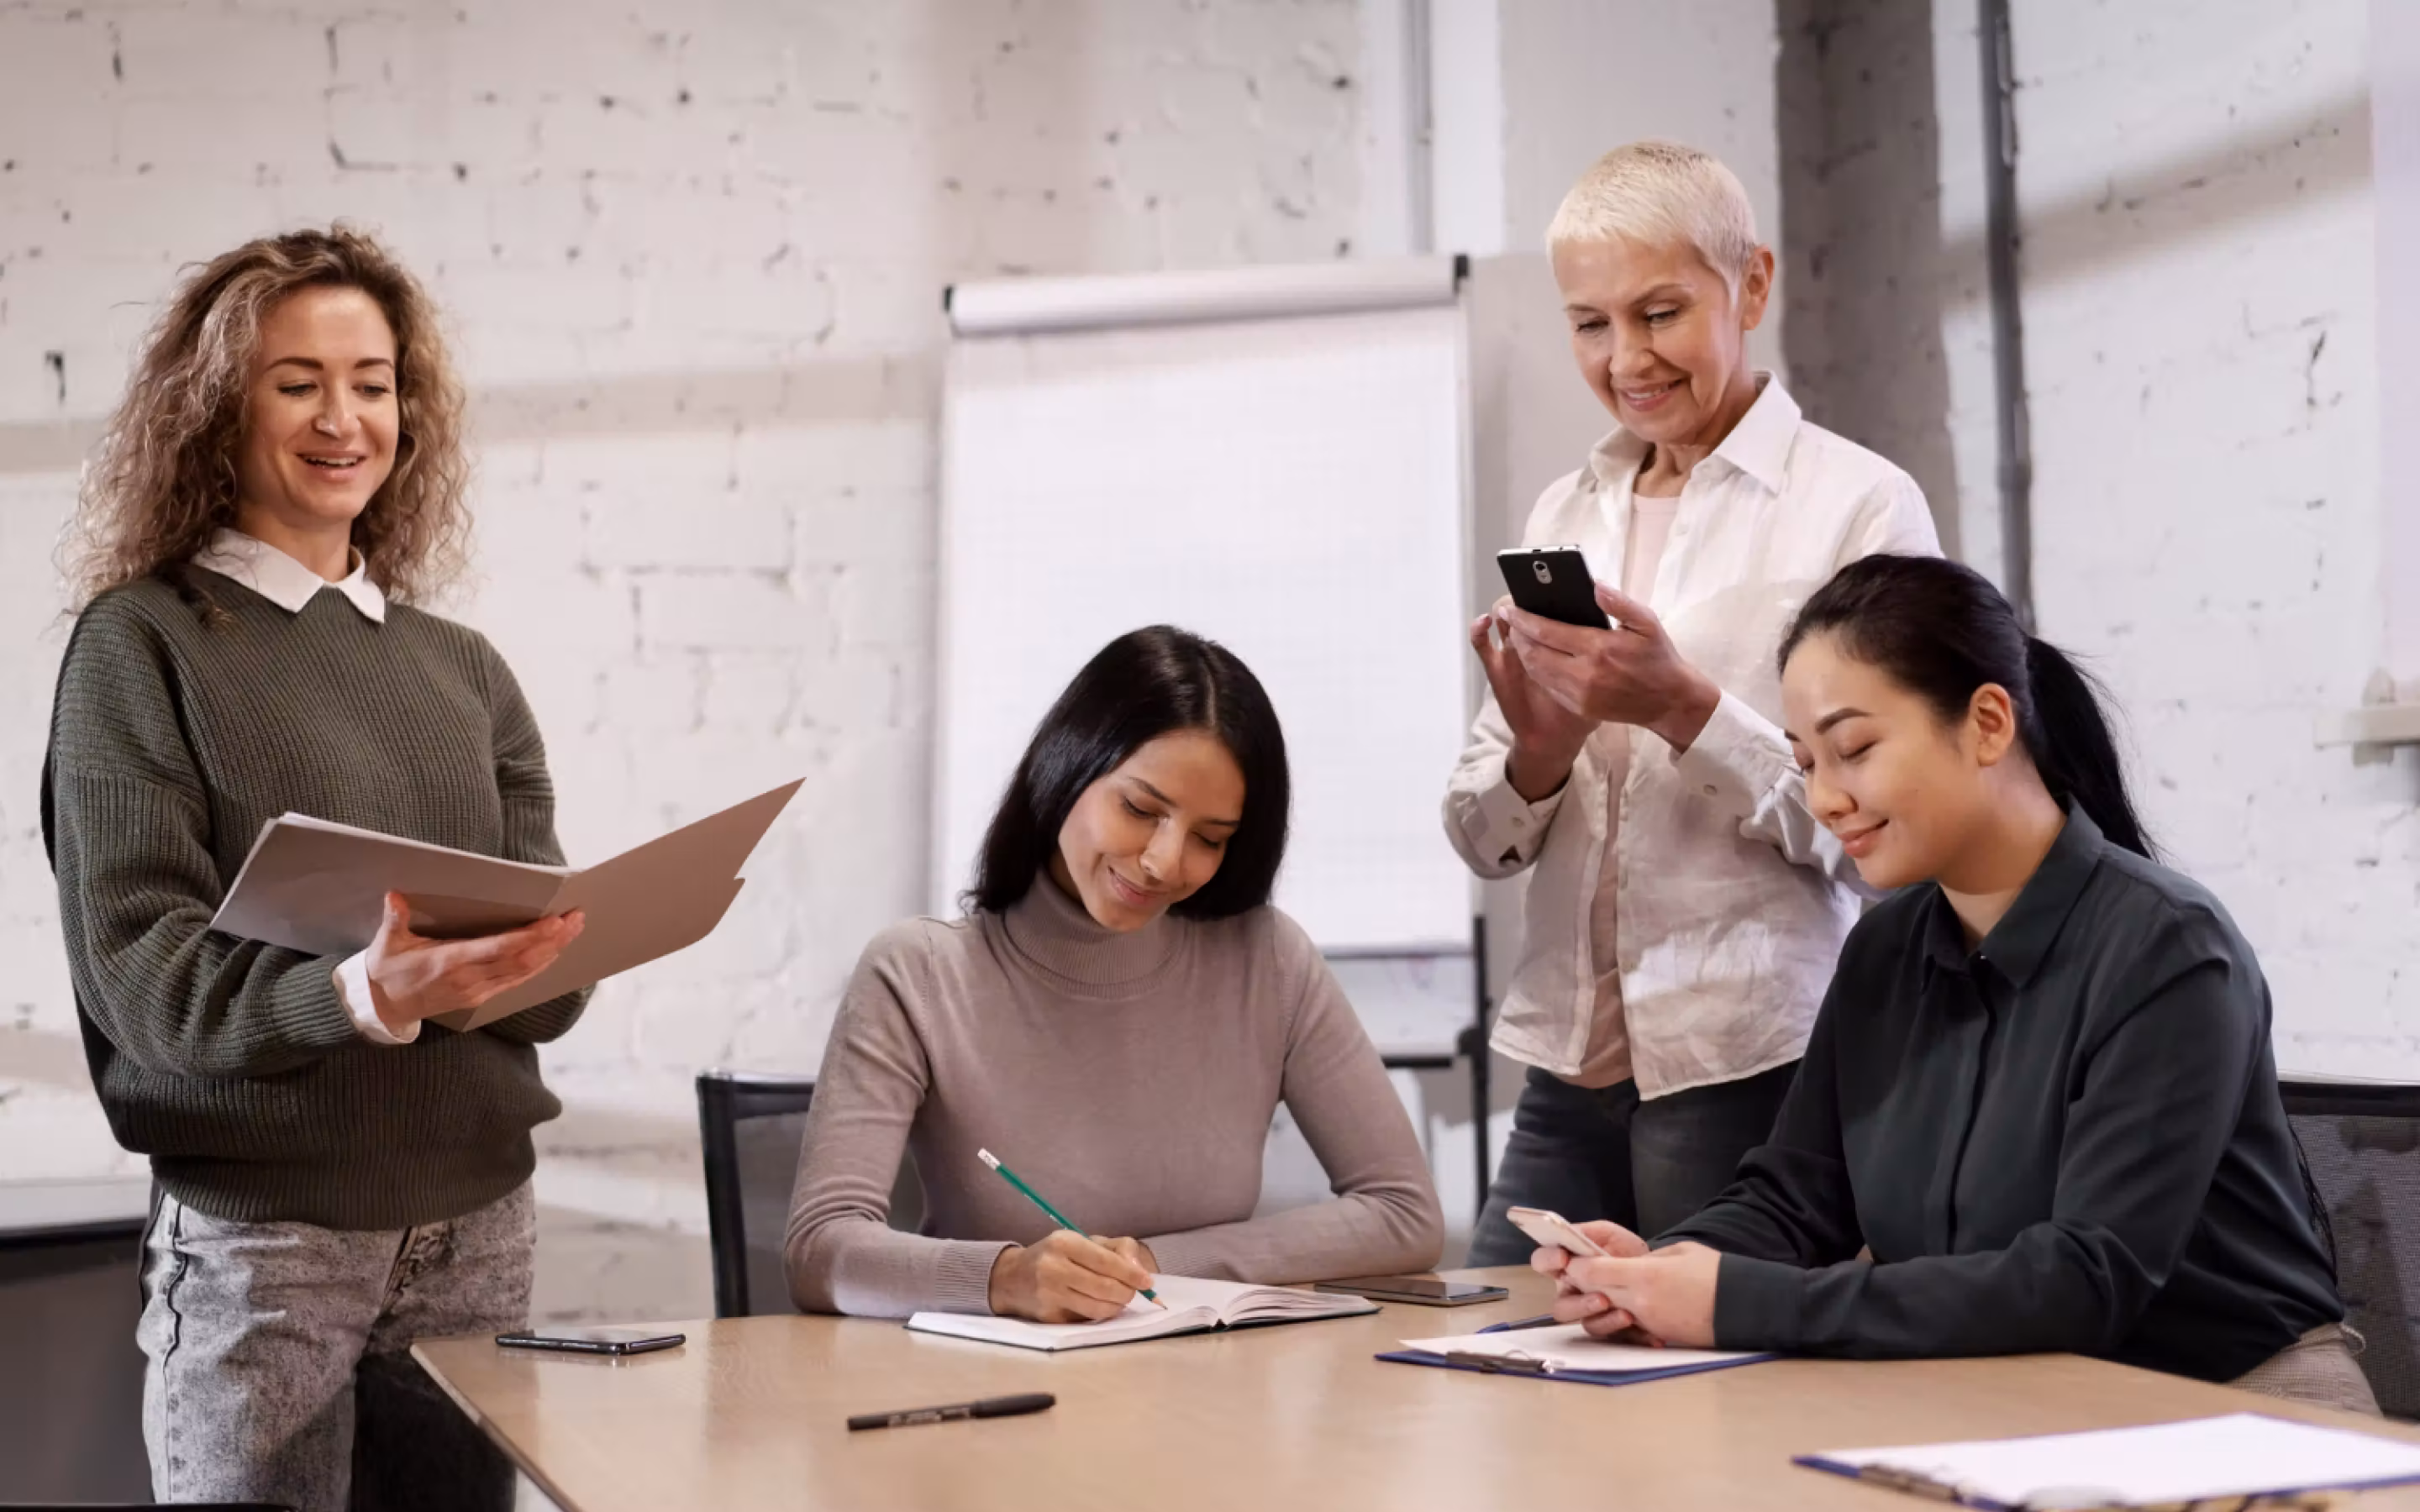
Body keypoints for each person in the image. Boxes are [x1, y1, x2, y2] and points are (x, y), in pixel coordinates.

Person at [1531, 554, 2373, 1413]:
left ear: (1988, 723)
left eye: (1853, 749)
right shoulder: (1885, 948)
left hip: (2240, 1401)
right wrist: (1661, 1269)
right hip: (1997, 1390)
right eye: (1805, 762)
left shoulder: (2168, 950)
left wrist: (1734, 1302)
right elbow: (1796, 1199)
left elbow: (2084, 1281)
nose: (1823, 798)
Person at [43, 226, 594, 1510]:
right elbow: (144, 982)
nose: (343, 417)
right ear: (216, 408)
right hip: (266, 1246)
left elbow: (552, 993)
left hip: (479, 1235)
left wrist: (545, 953)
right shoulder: (145, 647)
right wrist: (366, 995)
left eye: (373, 380)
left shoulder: (465, 670)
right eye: (297, 382)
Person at [1445, 139, 1939, 1264]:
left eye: (1660, 312)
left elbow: (1892, 842)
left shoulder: (1859, 508)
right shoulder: (1561, 511)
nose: (1627, 357)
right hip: (1566, 1060)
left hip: (1748, 1064)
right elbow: (1482, 836)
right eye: (1590, 323)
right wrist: (1537, 754)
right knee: (1493, 1385)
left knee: (1714, 1413)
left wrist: (1685, 710)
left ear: (1751, 285)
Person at [788, 626, 1445, 1320]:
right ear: (1066, 768)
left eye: (1209, 839)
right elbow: (820, 1249)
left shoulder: (1268, 960)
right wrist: (1004, 1278)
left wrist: (1155, 1264)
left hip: (1204, 1394)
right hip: (995, 1398)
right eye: (1139, 810)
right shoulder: (918, 974)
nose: (1165, 861)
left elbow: (1403, 1214)